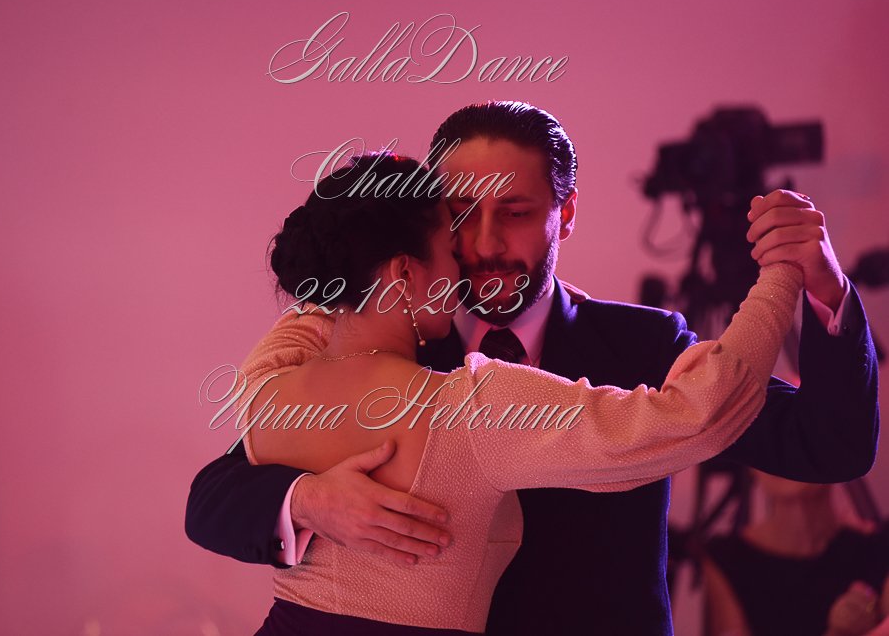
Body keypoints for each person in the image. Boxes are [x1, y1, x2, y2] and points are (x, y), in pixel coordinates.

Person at [186, 102, 880, 635]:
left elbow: (829, 445)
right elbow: (213, 497)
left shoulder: (644, 342)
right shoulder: (387, 349)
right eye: (461, 214)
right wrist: (306, 501)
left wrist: (822, 288)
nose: (485, 243)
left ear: (564, 213)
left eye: (515, 212)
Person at [702, 470, 889, 636]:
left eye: (799, 445)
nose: (779, 460)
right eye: (764, 447)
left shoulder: (877, 549)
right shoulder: (728, 558)